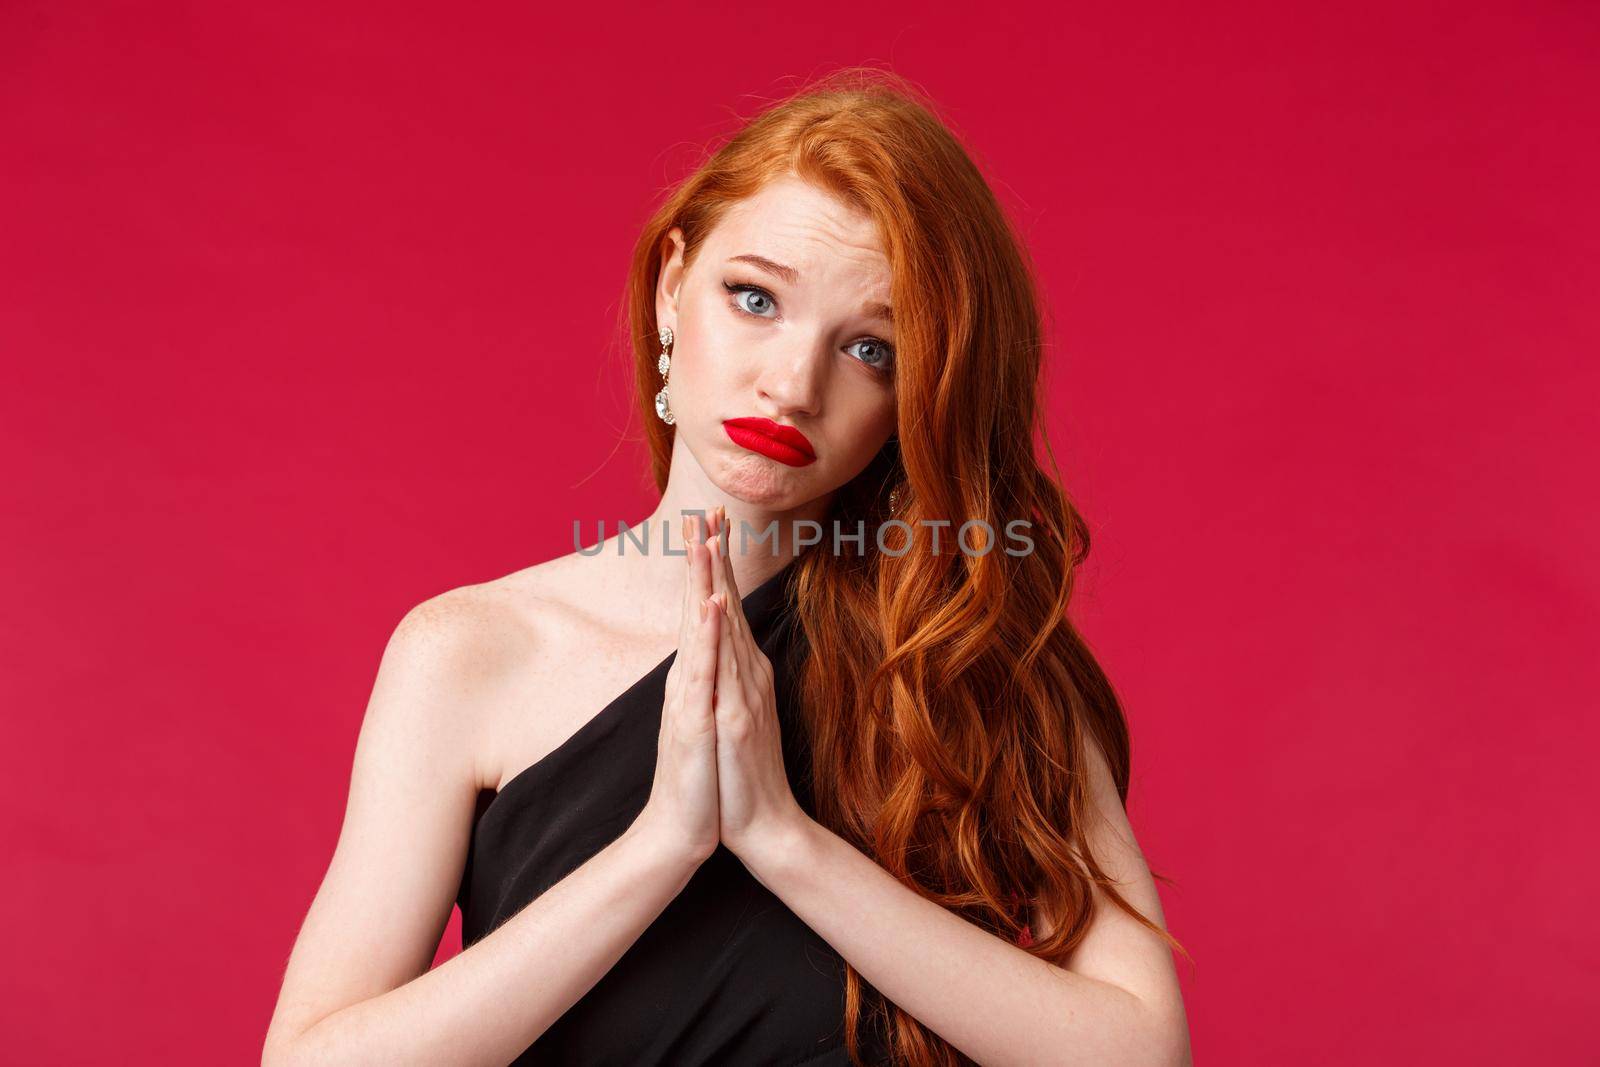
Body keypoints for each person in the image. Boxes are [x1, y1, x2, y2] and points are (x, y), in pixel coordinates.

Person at [263, 68, 1192, 1067]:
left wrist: (785, 840)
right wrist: (660, 845)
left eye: (871, 349)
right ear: (673, 287)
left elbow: (1138, 1049)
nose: (792, 383)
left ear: (922, 390)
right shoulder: (469, 653)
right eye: (754, 298)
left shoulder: (973, 655)